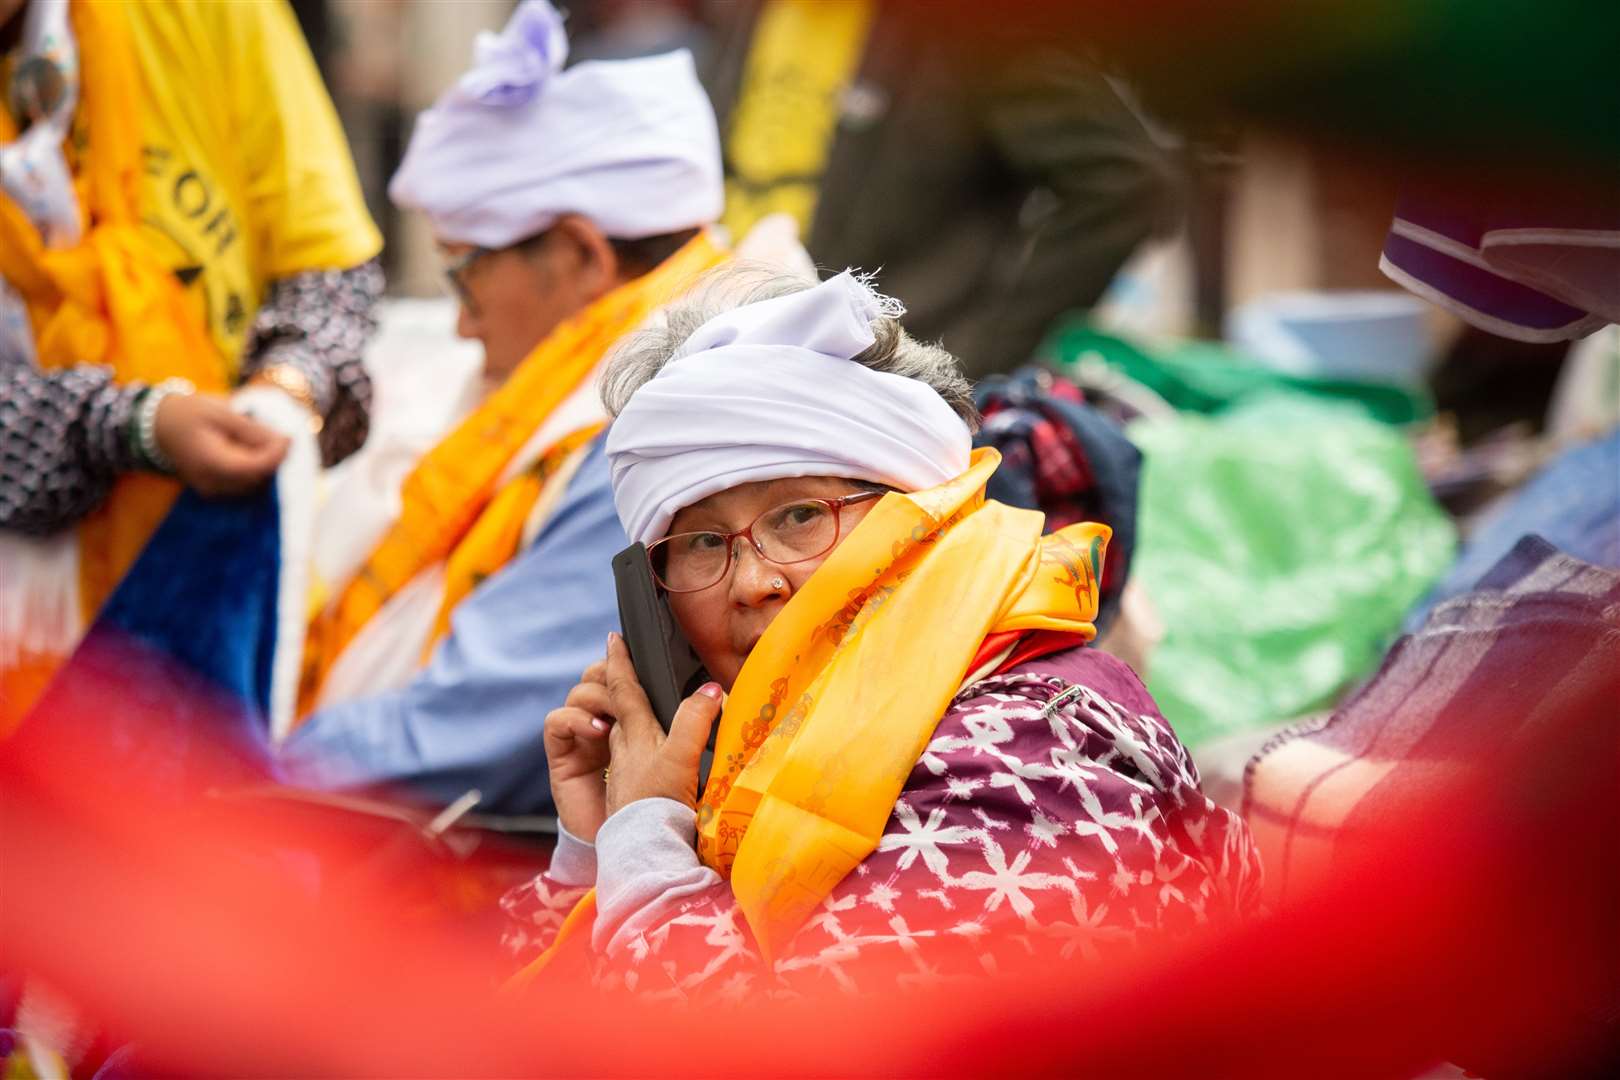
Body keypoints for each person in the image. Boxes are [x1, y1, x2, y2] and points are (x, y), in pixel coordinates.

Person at [500, 266, 1261, 994]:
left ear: (922, 520)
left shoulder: (1021, 759)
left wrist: (646, 848)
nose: (753, 581)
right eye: (701, 543)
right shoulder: (756, 758)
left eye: (800, 516)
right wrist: (597, 849)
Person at [280, 0, 728, 816]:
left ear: (584, 256)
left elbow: (452, 734)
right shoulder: (651, 353)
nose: (460, 322)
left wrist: (225, 780)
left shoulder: (658, 419)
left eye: (465, 273)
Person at [0, 0, 382, 724]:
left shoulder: (201, 13)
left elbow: (329, 271)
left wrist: (284, 390)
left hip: (221, 606)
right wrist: (130, 426)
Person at [704, 0, 1177, 378]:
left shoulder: (973, 24)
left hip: (876, 388)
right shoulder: (753, 12)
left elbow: (1123, 182)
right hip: (732, 362)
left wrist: (975, 353)